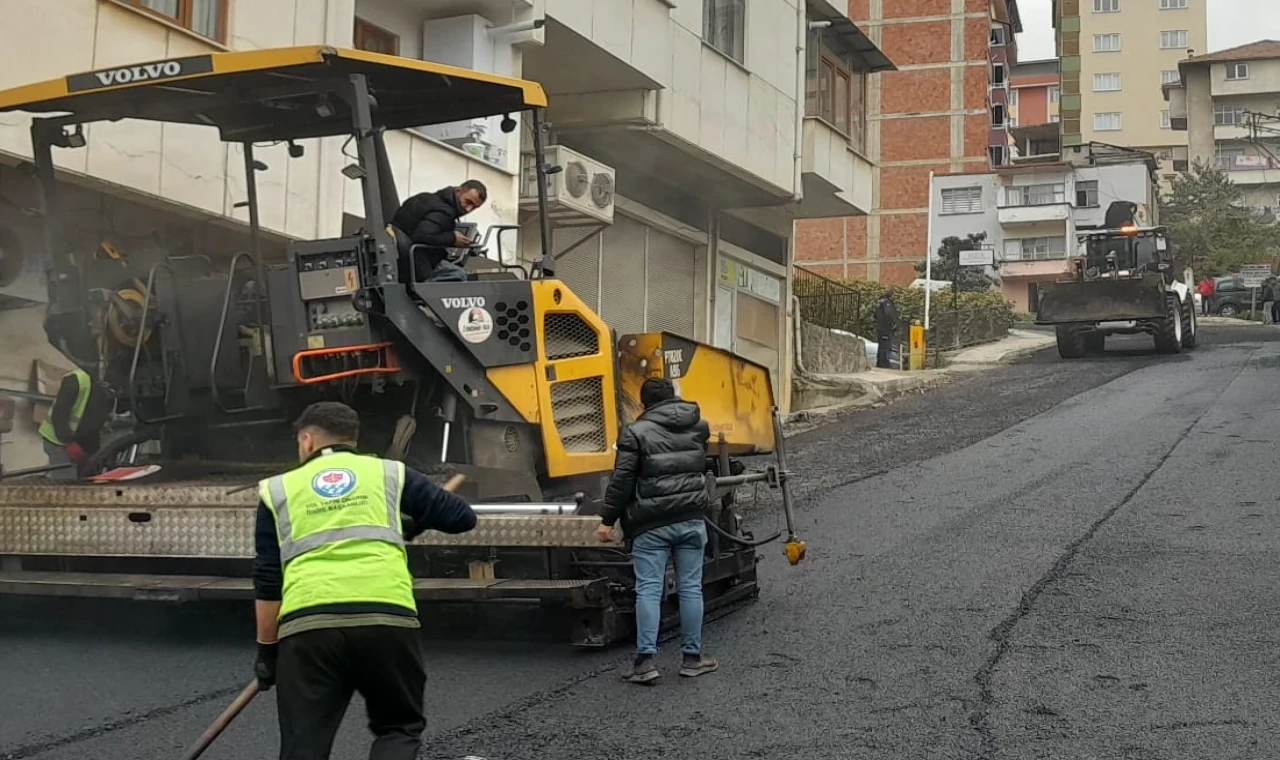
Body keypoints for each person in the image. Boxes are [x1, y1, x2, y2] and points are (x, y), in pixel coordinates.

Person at [252, 401, 478, 760]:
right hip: (386, 618)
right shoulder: (389, 474)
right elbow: (461, 517)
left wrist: (267, 651)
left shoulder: (278, 490)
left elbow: (268, 579)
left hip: (310, 626)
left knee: (303, 746)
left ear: (307, 440)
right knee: (398, 728)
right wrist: (413, 520)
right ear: (352, 438)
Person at [596, 377, 718, 684]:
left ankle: (646, 663)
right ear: (674, 397)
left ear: (642, 404)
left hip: (651, 523)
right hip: (691, 517)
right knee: (690, 587)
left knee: (649, 589)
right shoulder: (698, 426)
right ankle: (692, 659)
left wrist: (607, 520)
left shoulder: (635, 432)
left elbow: (622, 481)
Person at [389, 181, 487, 283]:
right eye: (468, 202)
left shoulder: (425, 198)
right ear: (458, 191)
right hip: (418, 264)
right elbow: (422, 235)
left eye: (474, 207)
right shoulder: (445, 212)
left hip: (403, 258)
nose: (468, 209)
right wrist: (453, 239)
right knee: (459, 274)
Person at [38, 367, 114, 480]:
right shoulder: (76, 379)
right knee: (66, 482)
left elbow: (96, 422)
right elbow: (59, 414)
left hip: (83, 444)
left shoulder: (106, 389)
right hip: (59, 441)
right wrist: (69, 443)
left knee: (85, 482)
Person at [874, 294, 897, 369]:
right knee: (887, 348)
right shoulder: (888, 305)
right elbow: (890, 317)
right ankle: (885, 364)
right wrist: (892, 326)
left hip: (880, 331)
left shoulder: (878, 308)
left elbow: (875, 317)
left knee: (881, 347)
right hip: (887, 331)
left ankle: (880, 363)